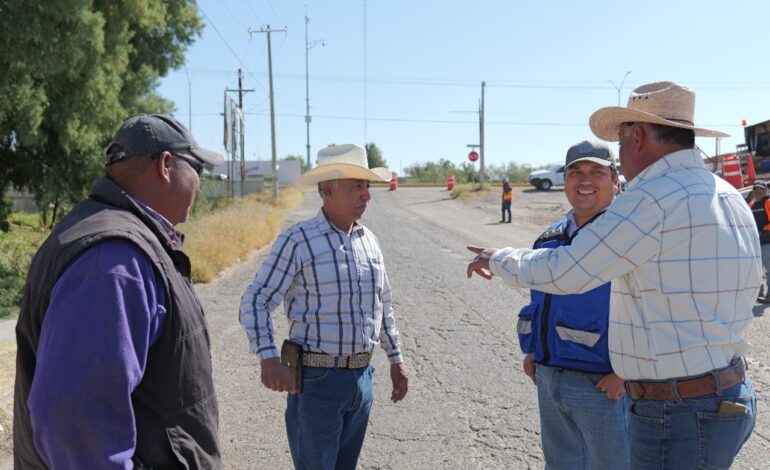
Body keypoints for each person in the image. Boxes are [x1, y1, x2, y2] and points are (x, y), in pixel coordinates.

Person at [467, 81, 759, 469]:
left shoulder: (652, 199)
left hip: (679, 408)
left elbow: (568, 272)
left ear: (638, 136)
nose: (621, 156)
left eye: (619, 145)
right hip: (726, 393)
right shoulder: (726, 195)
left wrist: (498, 257)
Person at [13, 114, 223, 469]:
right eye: (198, 169)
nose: (201, 183)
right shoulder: (113, 260)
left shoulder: (120, 238)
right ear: (167, 166)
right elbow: (74, 420)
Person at [239, 144, 409, 470]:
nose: (367, 196)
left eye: (367, 186)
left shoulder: (369, 240)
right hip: (318, 381)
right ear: (327, 189)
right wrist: (267, 357)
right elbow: (256, 299)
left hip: (363, 377)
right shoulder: (298, 240)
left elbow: (382, 304)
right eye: (356, 187)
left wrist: (395, 358)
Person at [519, 140, 629, 469]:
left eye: (597, 172)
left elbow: (654, 309)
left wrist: (626, 374)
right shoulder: (549, 238)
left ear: (615, 180)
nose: (585, 180)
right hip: (550, 376)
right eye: (575, 172)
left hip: (604, 386)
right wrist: (534, 349)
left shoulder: (629, 237)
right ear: (564, 181)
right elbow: (541, 301)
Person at [749, 180, 770, 303]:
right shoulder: (751, 205)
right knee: (756, 270)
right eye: (756, 189)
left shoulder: (768, 202)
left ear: (766, 190)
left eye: (761, 189)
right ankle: (758, 293)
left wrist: (764, 230)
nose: (758, 192)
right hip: (756, 244)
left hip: (767, 241)